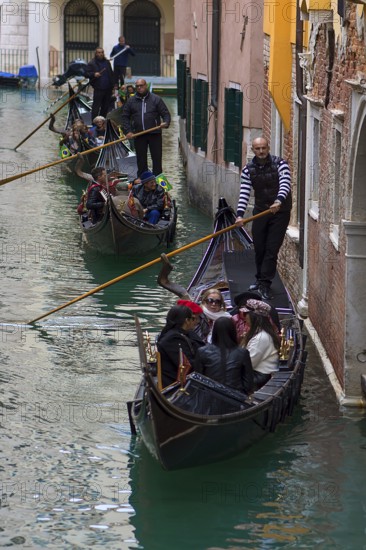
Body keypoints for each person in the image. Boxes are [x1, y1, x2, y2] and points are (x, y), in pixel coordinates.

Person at [235, 137, 292, 300]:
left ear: (268, 148)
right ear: (253, 150)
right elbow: (244, 193)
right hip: (261, 211)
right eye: (258, 149)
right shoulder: (247, 170)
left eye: (264, 148)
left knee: (271, 249)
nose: (261, 151)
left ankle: (265, 284)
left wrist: (279, 201)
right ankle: (259, 279)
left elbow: (285, 184)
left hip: (280, 212)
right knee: (259, 247)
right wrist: (239, 215)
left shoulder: (281, 164)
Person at [121, 79, 171, 176]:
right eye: (137, 86)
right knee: (141, 160)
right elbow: (125, 117)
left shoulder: (156, 99)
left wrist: (166, 122)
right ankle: (144, 183)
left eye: (141, 85)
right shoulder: (131, 101)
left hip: (155, 134)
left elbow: (166, 114)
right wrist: (128, 131)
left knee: (157, 160)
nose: (139, 88)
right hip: (139, 134)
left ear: (146, 86)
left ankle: (159, 183)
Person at [194, 317, 253, 395]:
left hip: (209, 396)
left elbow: (198, 380)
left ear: (214, 331)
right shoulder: (242, 353)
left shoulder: (202, 351)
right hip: (235, 398)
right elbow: (248, 383)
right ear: (233, 331)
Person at [157, 305, 203, 388]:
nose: (195, 322)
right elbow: (189, 364)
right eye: (193, 319)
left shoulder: (182, 334)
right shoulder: (173, 339)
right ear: (187, 321)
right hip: (174, 384)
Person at [240, 299, 280, 390]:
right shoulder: (257, 333)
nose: (244, 317)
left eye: (246, 314)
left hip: (259, 378)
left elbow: (248, 363)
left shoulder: (261, 338)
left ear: (254, 317)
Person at [86, 47, 115, 120]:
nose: (101, 54)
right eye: (99, 52)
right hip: (98, 88)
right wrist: (94, 74)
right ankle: (94, 122)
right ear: (96, 54)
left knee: (105, 106)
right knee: (96, 106)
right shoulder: (92, 63)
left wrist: (113, 85)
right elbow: (86, 73)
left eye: (102, 52)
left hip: (108, 88)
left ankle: (102, 122)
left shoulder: (107, 62)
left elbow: (111, 74)